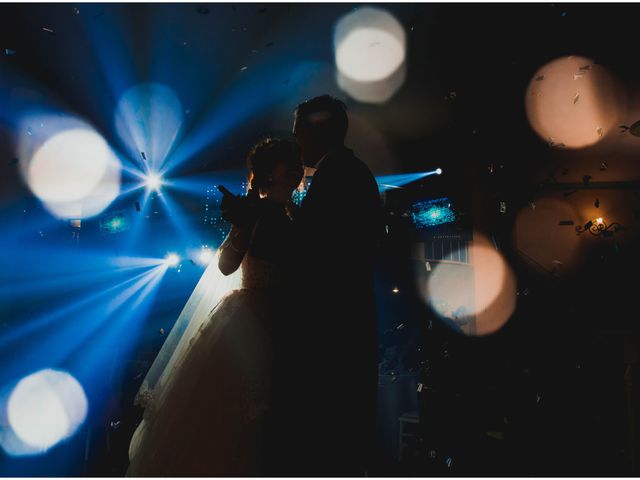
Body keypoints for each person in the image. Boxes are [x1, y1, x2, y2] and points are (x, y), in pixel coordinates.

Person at [126, 138, 304, 476]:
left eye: (296, 160)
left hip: (281, 319)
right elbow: (226, 266)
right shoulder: (258, 213)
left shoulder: (295, 215)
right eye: (286, 161)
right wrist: (244, 226)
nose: (295, 166)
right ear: (269, 172)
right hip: (253, 320)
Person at [266, 95, 384, 476]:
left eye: (298, 129)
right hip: (345, 327)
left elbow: (312, 254)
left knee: (325, 444)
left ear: (315, 130)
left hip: (331, 333)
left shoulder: (340, 176)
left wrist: (268, 216)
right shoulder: (348, 172)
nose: (295, 138)